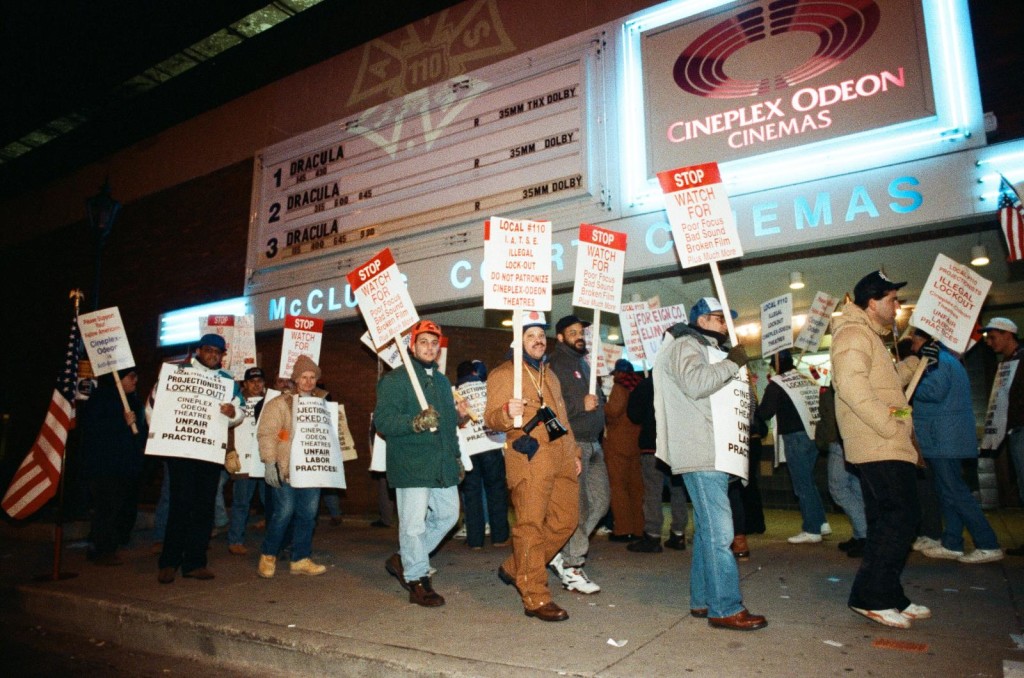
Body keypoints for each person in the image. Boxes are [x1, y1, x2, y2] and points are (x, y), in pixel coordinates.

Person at [653, 297, 766, 631]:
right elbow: (697, 383)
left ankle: (704, 600)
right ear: (702, 320)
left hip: (711, 449)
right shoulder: (687, 344)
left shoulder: (707, 348)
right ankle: (725, 607)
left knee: (708, 532)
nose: (724, 325)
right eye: (719, 318)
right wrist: (732, 363)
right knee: (720, 533)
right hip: (701, 450)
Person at [831, 271, 929, 629]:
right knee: (900, 517)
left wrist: (919, 361)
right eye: (892, 300)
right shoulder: (854, 333)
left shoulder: (871, 337)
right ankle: (869, 596)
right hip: (878, 442)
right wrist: (891, 426)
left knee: (889, 521)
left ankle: (888, 594)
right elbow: (852, 386)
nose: (897, 306)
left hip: (886, 440)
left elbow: (890, 394)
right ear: (872, 302)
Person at [486, 311, 581, 622]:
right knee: (531, 527)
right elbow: (491, 420)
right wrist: (505, 411)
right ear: (519, 341)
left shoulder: (549, 375)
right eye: (531, 336)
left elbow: (562, 419)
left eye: (541, 336)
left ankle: (516, 567)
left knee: (566, 521)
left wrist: (575, 451)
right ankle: (535, 597)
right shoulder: (504, 374)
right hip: (530, 459)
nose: (539, 341)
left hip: (562, 457)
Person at [376, 320, 467, 607]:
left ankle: (404, 558)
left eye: (434, 342)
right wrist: (415, 422)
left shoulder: (441, 381)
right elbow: (383, 421)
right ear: (412, 346)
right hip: (411, 463)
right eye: (423, 342)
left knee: (449, 516)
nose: (429, 347)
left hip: (441, 463)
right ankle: (417, 578)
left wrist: (456, 458)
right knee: (413, 525)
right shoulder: (395, 380)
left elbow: (450, 426)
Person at [154, 333, 244, 584]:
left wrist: (232, 412)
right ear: (198, 351)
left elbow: (241, 410)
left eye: (218, 352)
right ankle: (169, 561)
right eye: (209, 350)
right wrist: (162, 435)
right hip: (181, 451)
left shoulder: (227, 382)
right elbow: (156, 404)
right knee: (179, 505)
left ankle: (195, 562)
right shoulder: (177, 373)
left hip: (209, 452)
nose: (213, 355)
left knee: (204, 508)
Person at [909, 329, 1003, 564]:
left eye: (914, 340)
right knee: (948, 491)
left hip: (943, 436)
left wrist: (909, 385)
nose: (911, 346)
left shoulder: (936, 361)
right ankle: (952, 542)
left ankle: (987, 543)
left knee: (955, 491)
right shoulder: (943, 359)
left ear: (924, 340)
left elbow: (934, 391)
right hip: (944, 436)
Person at [547, 314, 608, 594]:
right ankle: (571, 566)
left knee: (601, 502)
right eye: (572, 332)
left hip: (594, 444)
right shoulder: (556, 365)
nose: (578, 335)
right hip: (576, 445)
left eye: (581, 331)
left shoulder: (584, 363)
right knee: (580, 507)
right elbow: (549, 407)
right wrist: (580, 405)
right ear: (560, 337)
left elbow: (596, 401)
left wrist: (601, 399)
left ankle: (561, 550)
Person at [256, 355, 329, 578]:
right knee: (283, 513)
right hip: (285, 467)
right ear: (295, 380)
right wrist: (270, 463)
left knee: (308, 514)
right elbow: (267, 434)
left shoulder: (322, 405)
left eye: (312, 377)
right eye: (303, 377)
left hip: (311, 470)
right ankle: (268, 555)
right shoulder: (279, 404)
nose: (308, 381)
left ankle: (301, 558)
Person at [756, 349, 828, 545]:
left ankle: (811, 529)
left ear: (775, 365)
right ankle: (821, 522)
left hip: (794, 438)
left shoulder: (777, 385)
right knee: (808, 480)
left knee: (801, 484)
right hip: (813, 435)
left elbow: (764, 413)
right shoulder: (806, 379)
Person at [80, 368, 148, 566]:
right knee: (106, 508)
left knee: (120, 507)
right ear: (118, 380)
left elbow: (138, 434)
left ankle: (114, 541)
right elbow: (95, 432)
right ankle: (102, 550)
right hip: (105, 466)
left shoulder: (133, 402)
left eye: (136, 376)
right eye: (131, 376)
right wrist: (121, 422)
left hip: (127, 466)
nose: (135, 380)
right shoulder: (102, 400)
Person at [626, 374, 689, 553]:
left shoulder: (647, 384)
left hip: (652, 445)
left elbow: (634, 415)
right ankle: (678, 534)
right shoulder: (680, 381)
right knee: (678, 490)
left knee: (653, 491)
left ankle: (652, 536)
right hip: (676, 445)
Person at [455, 360, 510, 549]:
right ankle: (500, 537)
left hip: (469, 450)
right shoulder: (488, 387)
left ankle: (475, 540)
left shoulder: (454, 392)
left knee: (472, 495)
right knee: (496, 491)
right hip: (491, 444)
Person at [981, 317, 1024, 556]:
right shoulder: (1009, 362)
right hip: (1015, 430)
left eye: (993, 336)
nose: (989, 342)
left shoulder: (1021, 360)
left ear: (1008, 334)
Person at [816, 383, 868, 557]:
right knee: (855, 487)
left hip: (841, 441)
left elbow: (829, 417)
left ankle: (864, 534)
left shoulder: (841, 383)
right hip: (852, 439)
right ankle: (860, 534)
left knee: (839, 488)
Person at [227, 367, 267, 556]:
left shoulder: (271, 400)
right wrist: (230, 450)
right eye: (252, 381)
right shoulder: (236, 402)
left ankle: (274, 541)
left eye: (259, 381)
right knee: (241, 503)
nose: (256, 384)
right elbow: (228, 426)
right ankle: (235, 540)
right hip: (244, 461)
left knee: (272, 503)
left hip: (265, 460)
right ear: (245, 383)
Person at [604, 359, 645, 543]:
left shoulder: (620, 388)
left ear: (619, 374)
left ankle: (623, 529)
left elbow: (613, 412)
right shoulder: (638, 386)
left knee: (618, 487)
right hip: (636, 443)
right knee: (636, 487)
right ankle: (639, 528)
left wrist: (600, 406)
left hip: (617, 443)